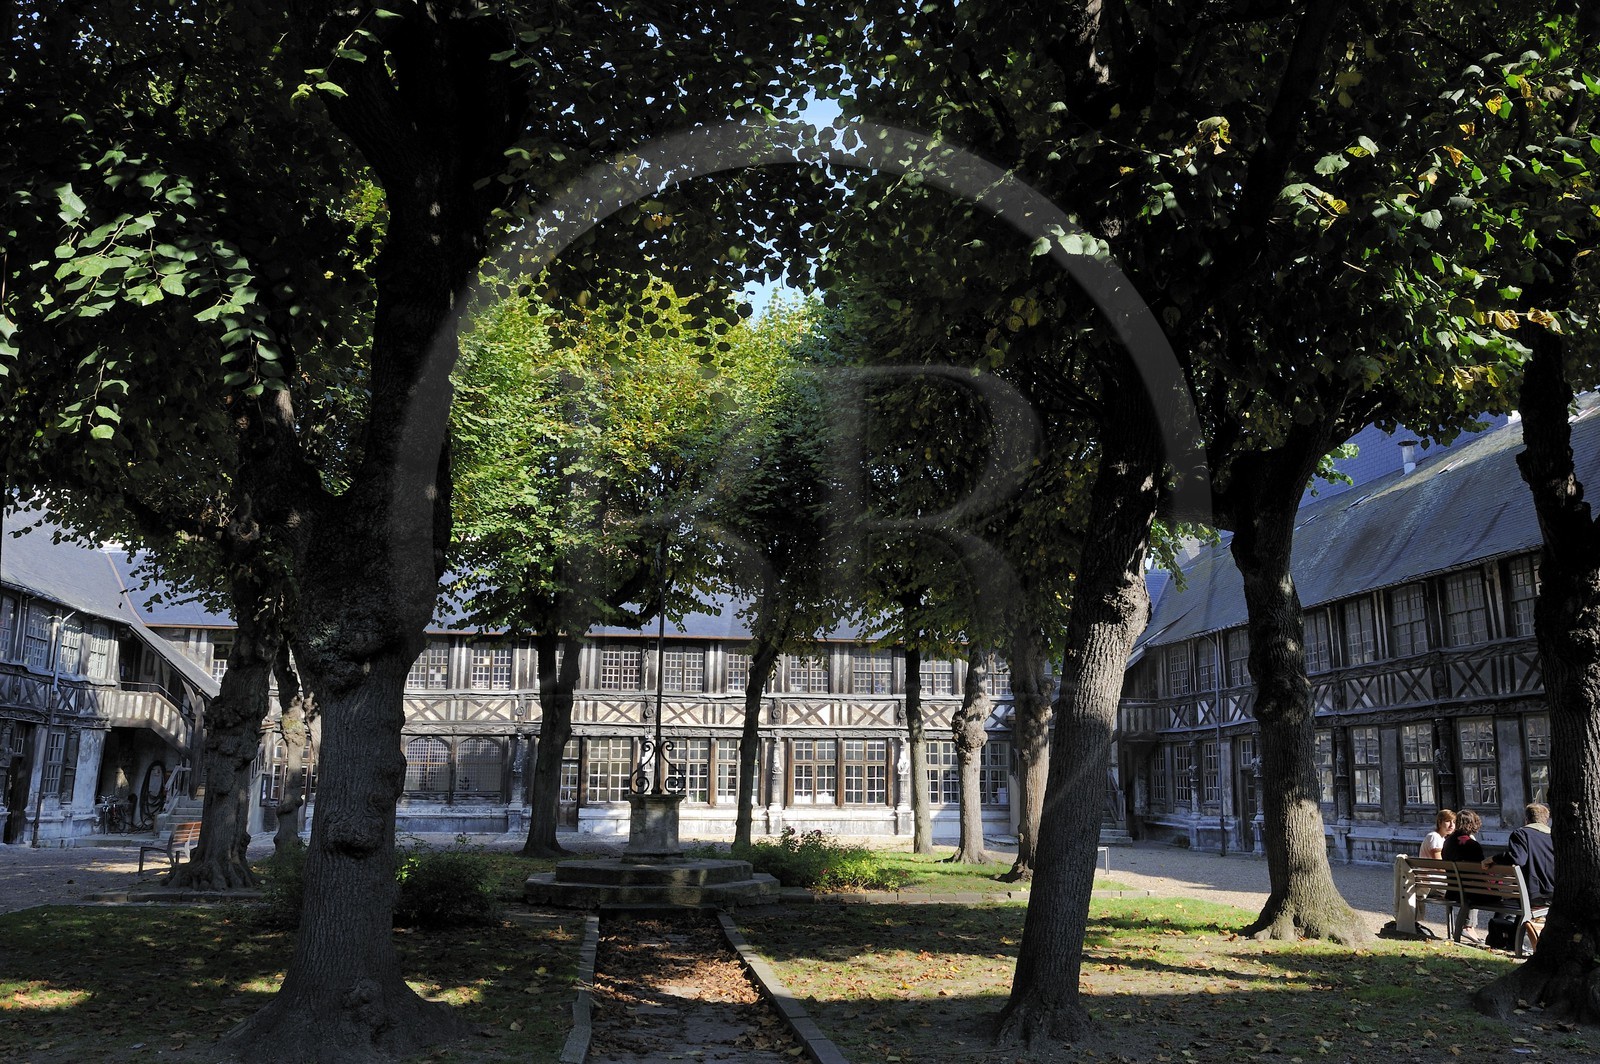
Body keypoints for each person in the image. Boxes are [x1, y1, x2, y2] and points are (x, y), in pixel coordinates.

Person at [1483, 802, 1554, 903]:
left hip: (1534, 894)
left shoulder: (1521, 834)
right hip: (1554, 892)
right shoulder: (1553, 836)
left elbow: (1517, 858)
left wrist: (1492, 859)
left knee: (1506, 908)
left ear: (1526, 819)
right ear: (1546, 820)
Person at [1443, 808, 1486, 943]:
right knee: (1478, 887)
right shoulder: (1473, 845)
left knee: (1471, 886)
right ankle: (1468, 926)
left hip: (1452, 890)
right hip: (1470, 892)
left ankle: (1467, 927)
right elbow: (1481, 870)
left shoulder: (1448, 842)